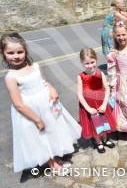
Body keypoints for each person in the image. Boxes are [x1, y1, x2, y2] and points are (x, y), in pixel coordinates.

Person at [1, 33, 81, 174]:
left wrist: (51, 88)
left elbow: (43, 82)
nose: (16, 56)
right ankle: (53, 164)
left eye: (20, 52)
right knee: (40, 136)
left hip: (46, 106)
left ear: (25, 51)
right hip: (30, 112)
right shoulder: (11, 77)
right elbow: (18, 104)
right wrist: (37, 120)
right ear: (3, 53)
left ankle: (56, 157)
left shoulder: (35, 66)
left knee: (51, 132)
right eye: (10, 53)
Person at [77, 48, 116, 153]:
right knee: (94, 125)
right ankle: (98, 142)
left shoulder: (100, 74)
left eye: (92, 62)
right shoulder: (81, 77)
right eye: (87, 63)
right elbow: (80, 95)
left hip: (101, 104)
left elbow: (107, 89)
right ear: (82, 63)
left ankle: (105, 139)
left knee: (104, 122)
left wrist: (104, 104)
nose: (90, 66)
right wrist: (88, 108)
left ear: (96, 60)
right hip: (89, 107)